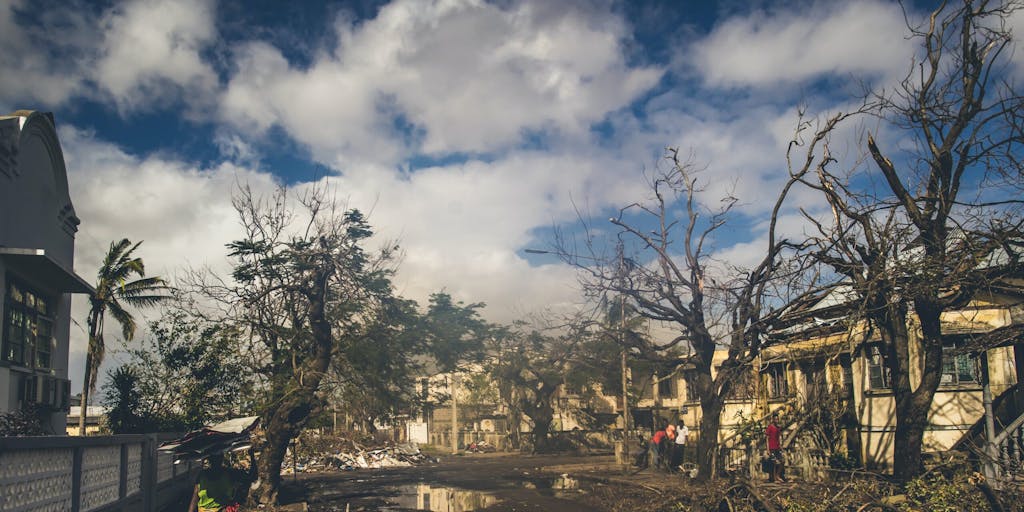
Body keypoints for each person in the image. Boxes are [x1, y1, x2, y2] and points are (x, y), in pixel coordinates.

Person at [765, 414, 786, 483]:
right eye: (775, 419)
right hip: (771, 448)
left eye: (777, 419)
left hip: (777, 448)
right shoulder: (770, 427)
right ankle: (774, 478)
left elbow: (778, 438)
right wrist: (768, 449)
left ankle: (777, 476)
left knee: (782, 461)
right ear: (773, 419)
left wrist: (780, 447)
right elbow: (767, 439)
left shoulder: (778, 428)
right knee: (774, 463)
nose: (776, 420)